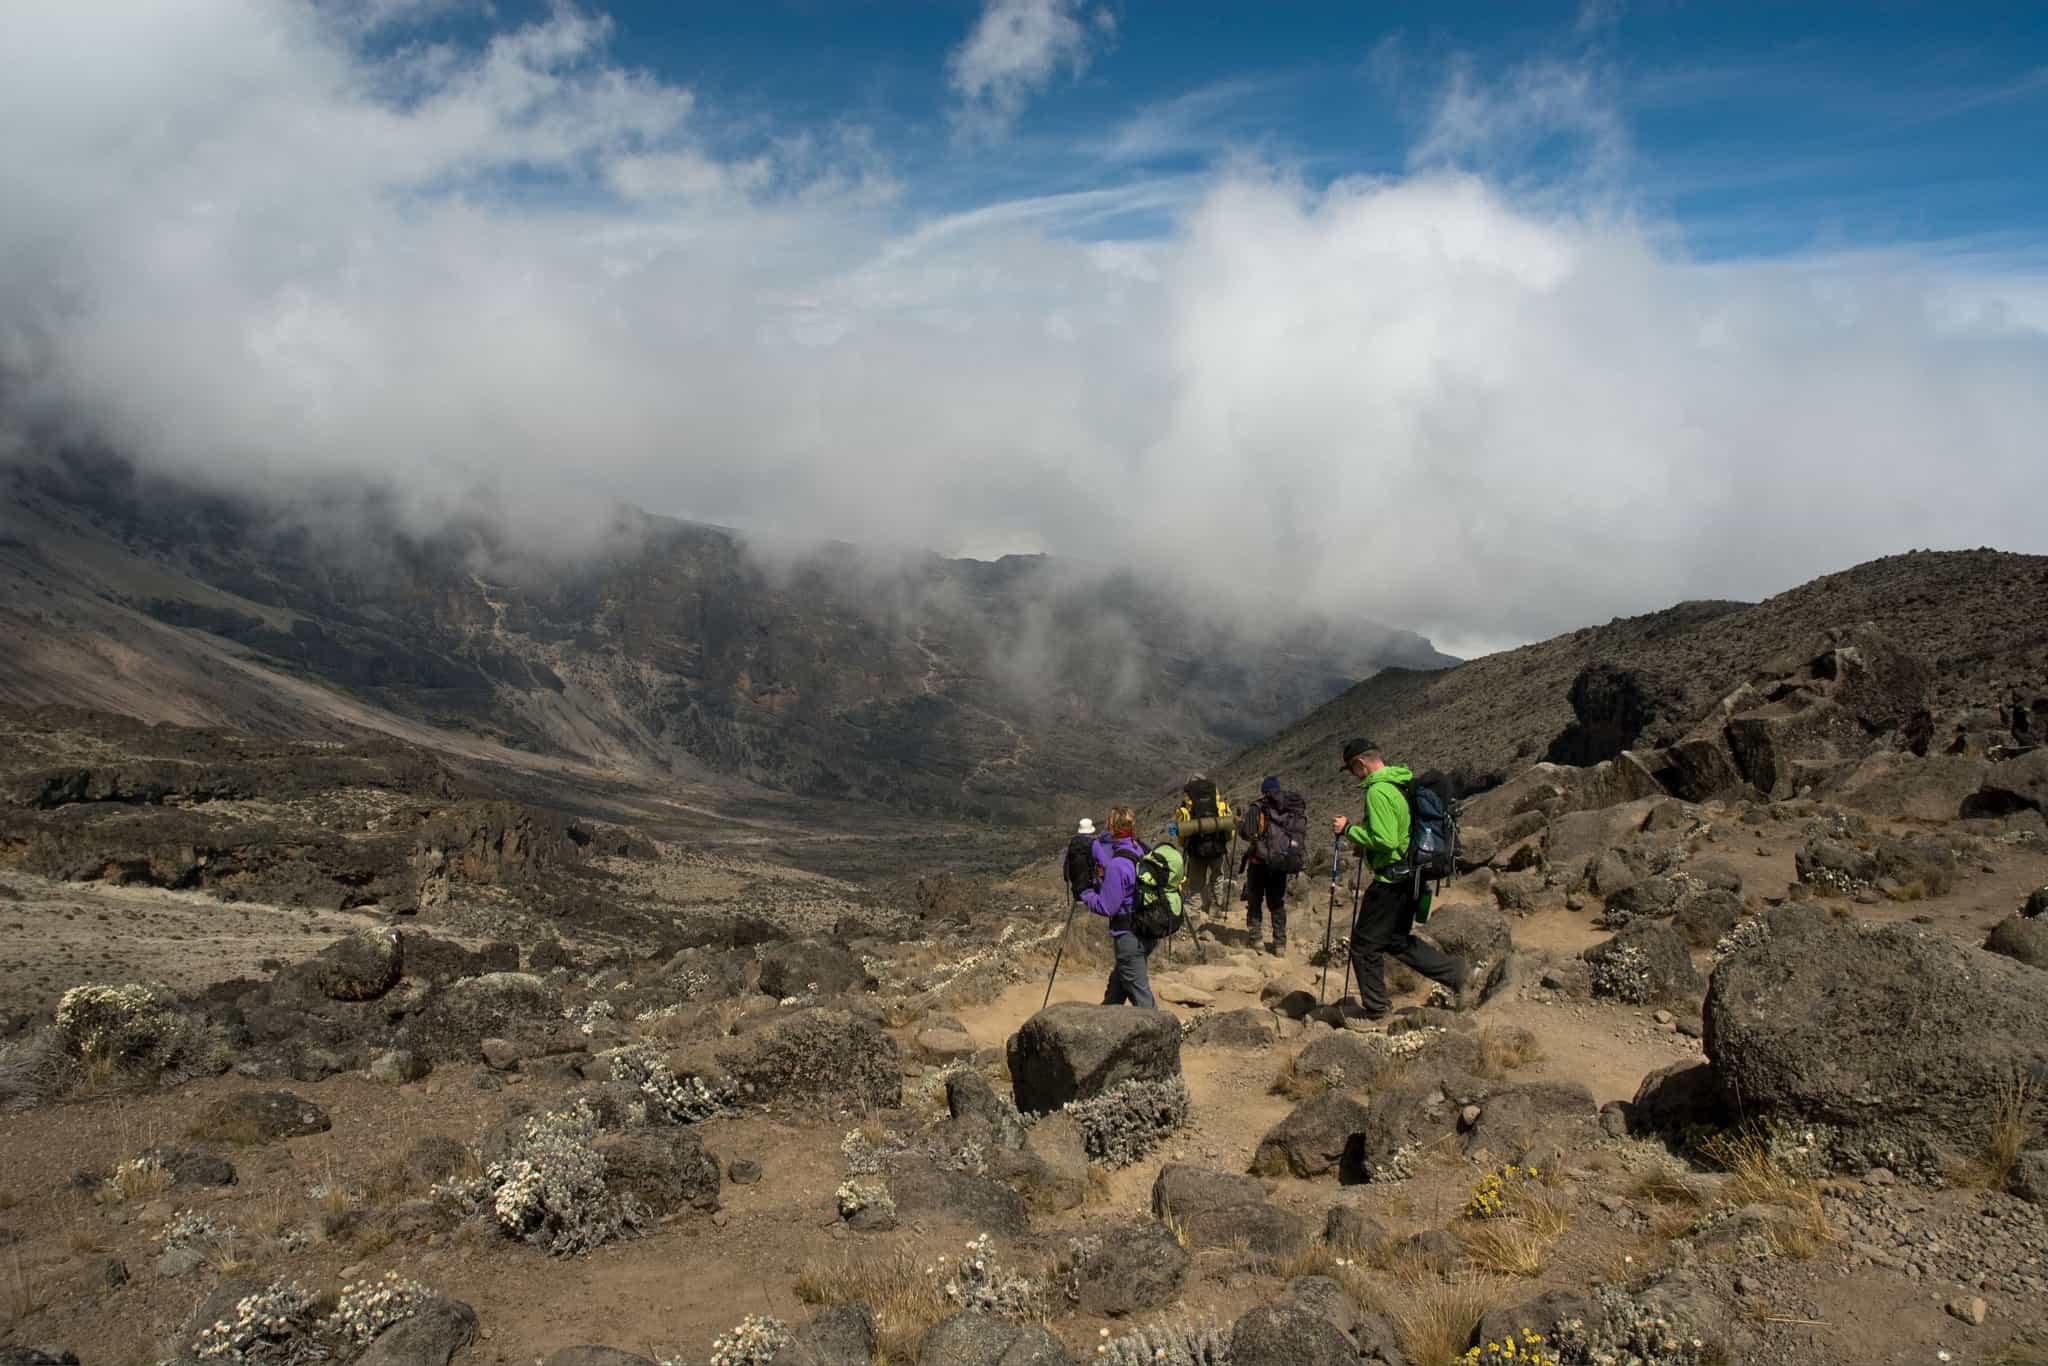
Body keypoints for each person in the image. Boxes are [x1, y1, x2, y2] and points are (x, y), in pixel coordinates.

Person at [1332, 738, 1469, 1019]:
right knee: (1396, 941)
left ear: (1360, 764)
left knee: (1364, 945)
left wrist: (1349, 830)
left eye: (1351, 770)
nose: (1353, 775)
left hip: (1391, 882)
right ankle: (1460, 976)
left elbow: (1385, 839)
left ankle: (1377, 1010)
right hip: (1412, 877)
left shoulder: (1378, 791)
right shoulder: (1401, 781)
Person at [1084, 805, 1158, 1008]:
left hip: (1128, 936)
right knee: (1117, 987)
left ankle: (1160, 1034)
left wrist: (1086, 894)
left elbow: (1108, 907)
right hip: (1146, 929)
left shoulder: (1118, 865)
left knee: (1141, 997)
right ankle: (1105, 1021)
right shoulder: (1140, 848)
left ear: (1111, 827)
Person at [1238, 776, 1293, 956]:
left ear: (1263, 791)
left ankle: (1256, 940)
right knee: (1276, 903)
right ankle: (1280, 944)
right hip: (1279, 863)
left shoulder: (1257, 807)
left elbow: (1247, 833)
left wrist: (1240, 825)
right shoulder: (1287, 807)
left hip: (1258, 862)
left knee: (1255, 900)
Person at [1172, 778, 1232, 918]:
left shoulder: (1186, 807)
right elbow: (1229, 827)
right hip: (1217, 847)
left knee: (1196, 881)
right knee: (1217, 877)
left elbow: (1181, 831)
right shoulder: (1220, 804)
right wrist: (1225, 842)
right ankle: (1217, 907)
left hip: (1196, 848)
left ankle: (1195, 911)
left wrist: (1185, 846)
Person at [1062, 817, 1099, 902]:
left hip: (1076, 886)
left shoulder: (1073, 843)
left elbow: (1066, 865)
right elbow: (1105, 863)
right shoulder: (1094, 844)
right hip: (1090, 887)